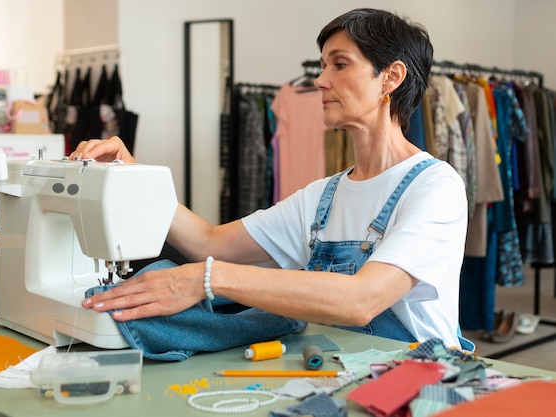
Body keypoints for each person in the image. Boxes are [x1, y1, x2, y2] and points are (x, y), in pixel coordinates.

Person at [72, 8, 473, 351]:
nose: (319, 80)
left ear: (391, 77)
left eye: (339, 64)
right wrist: (133, 176)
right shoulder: (324, 197)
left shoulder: (435, 187)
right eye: (322, 65)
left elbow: (362, 300)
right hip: (345, 372)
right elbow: (208, 243)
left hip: (418, 385)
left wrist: (209, 279)